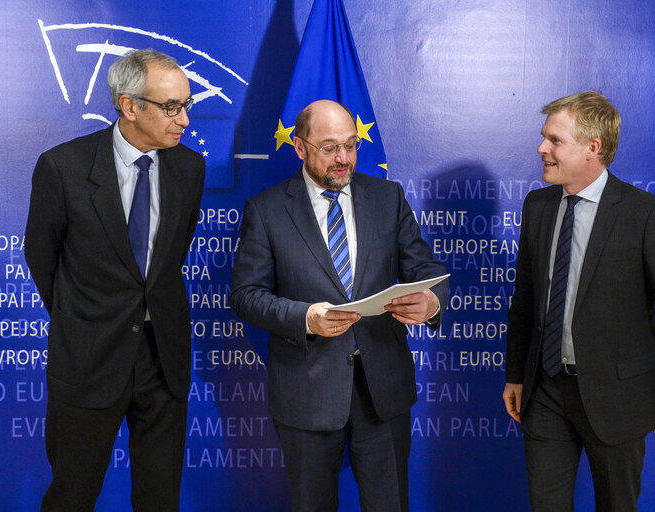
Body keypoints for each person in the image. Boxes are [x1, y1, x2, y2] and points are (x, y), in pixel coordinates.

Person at [230, 99, 449, 512]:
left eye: (351, 145)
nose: (343, 159)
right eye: (329, 148)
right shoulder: (266, 210)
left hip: (382, 389)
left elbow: (427, 268)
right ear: (299, 147)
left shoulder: (388, 197)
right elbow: (245, 295)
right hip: (306, 390)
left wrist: (431, 302)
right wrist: (306, 318)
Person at [503, 91, 655, 511]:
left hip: (620, 400)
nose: (542, 148)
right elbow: (525, 301)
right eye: (544, 137)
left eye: (554, 140)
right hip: (545, 393)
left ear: (592, 148)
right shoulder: (538, 206)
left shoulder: (646, 214)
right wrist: (516, 375)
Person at [25, 49, 205, 511]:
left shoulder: (189, 167)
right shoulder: (62, 168)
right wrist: (85, 318)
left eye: (187, 105)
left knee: (160, 499)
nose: (184, 119)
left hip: (162, 360)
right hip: (88, 360)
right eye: (172, 107)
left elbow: (169, 260)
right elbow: (42, 259)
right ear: (130, 106)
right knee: (72, 495)